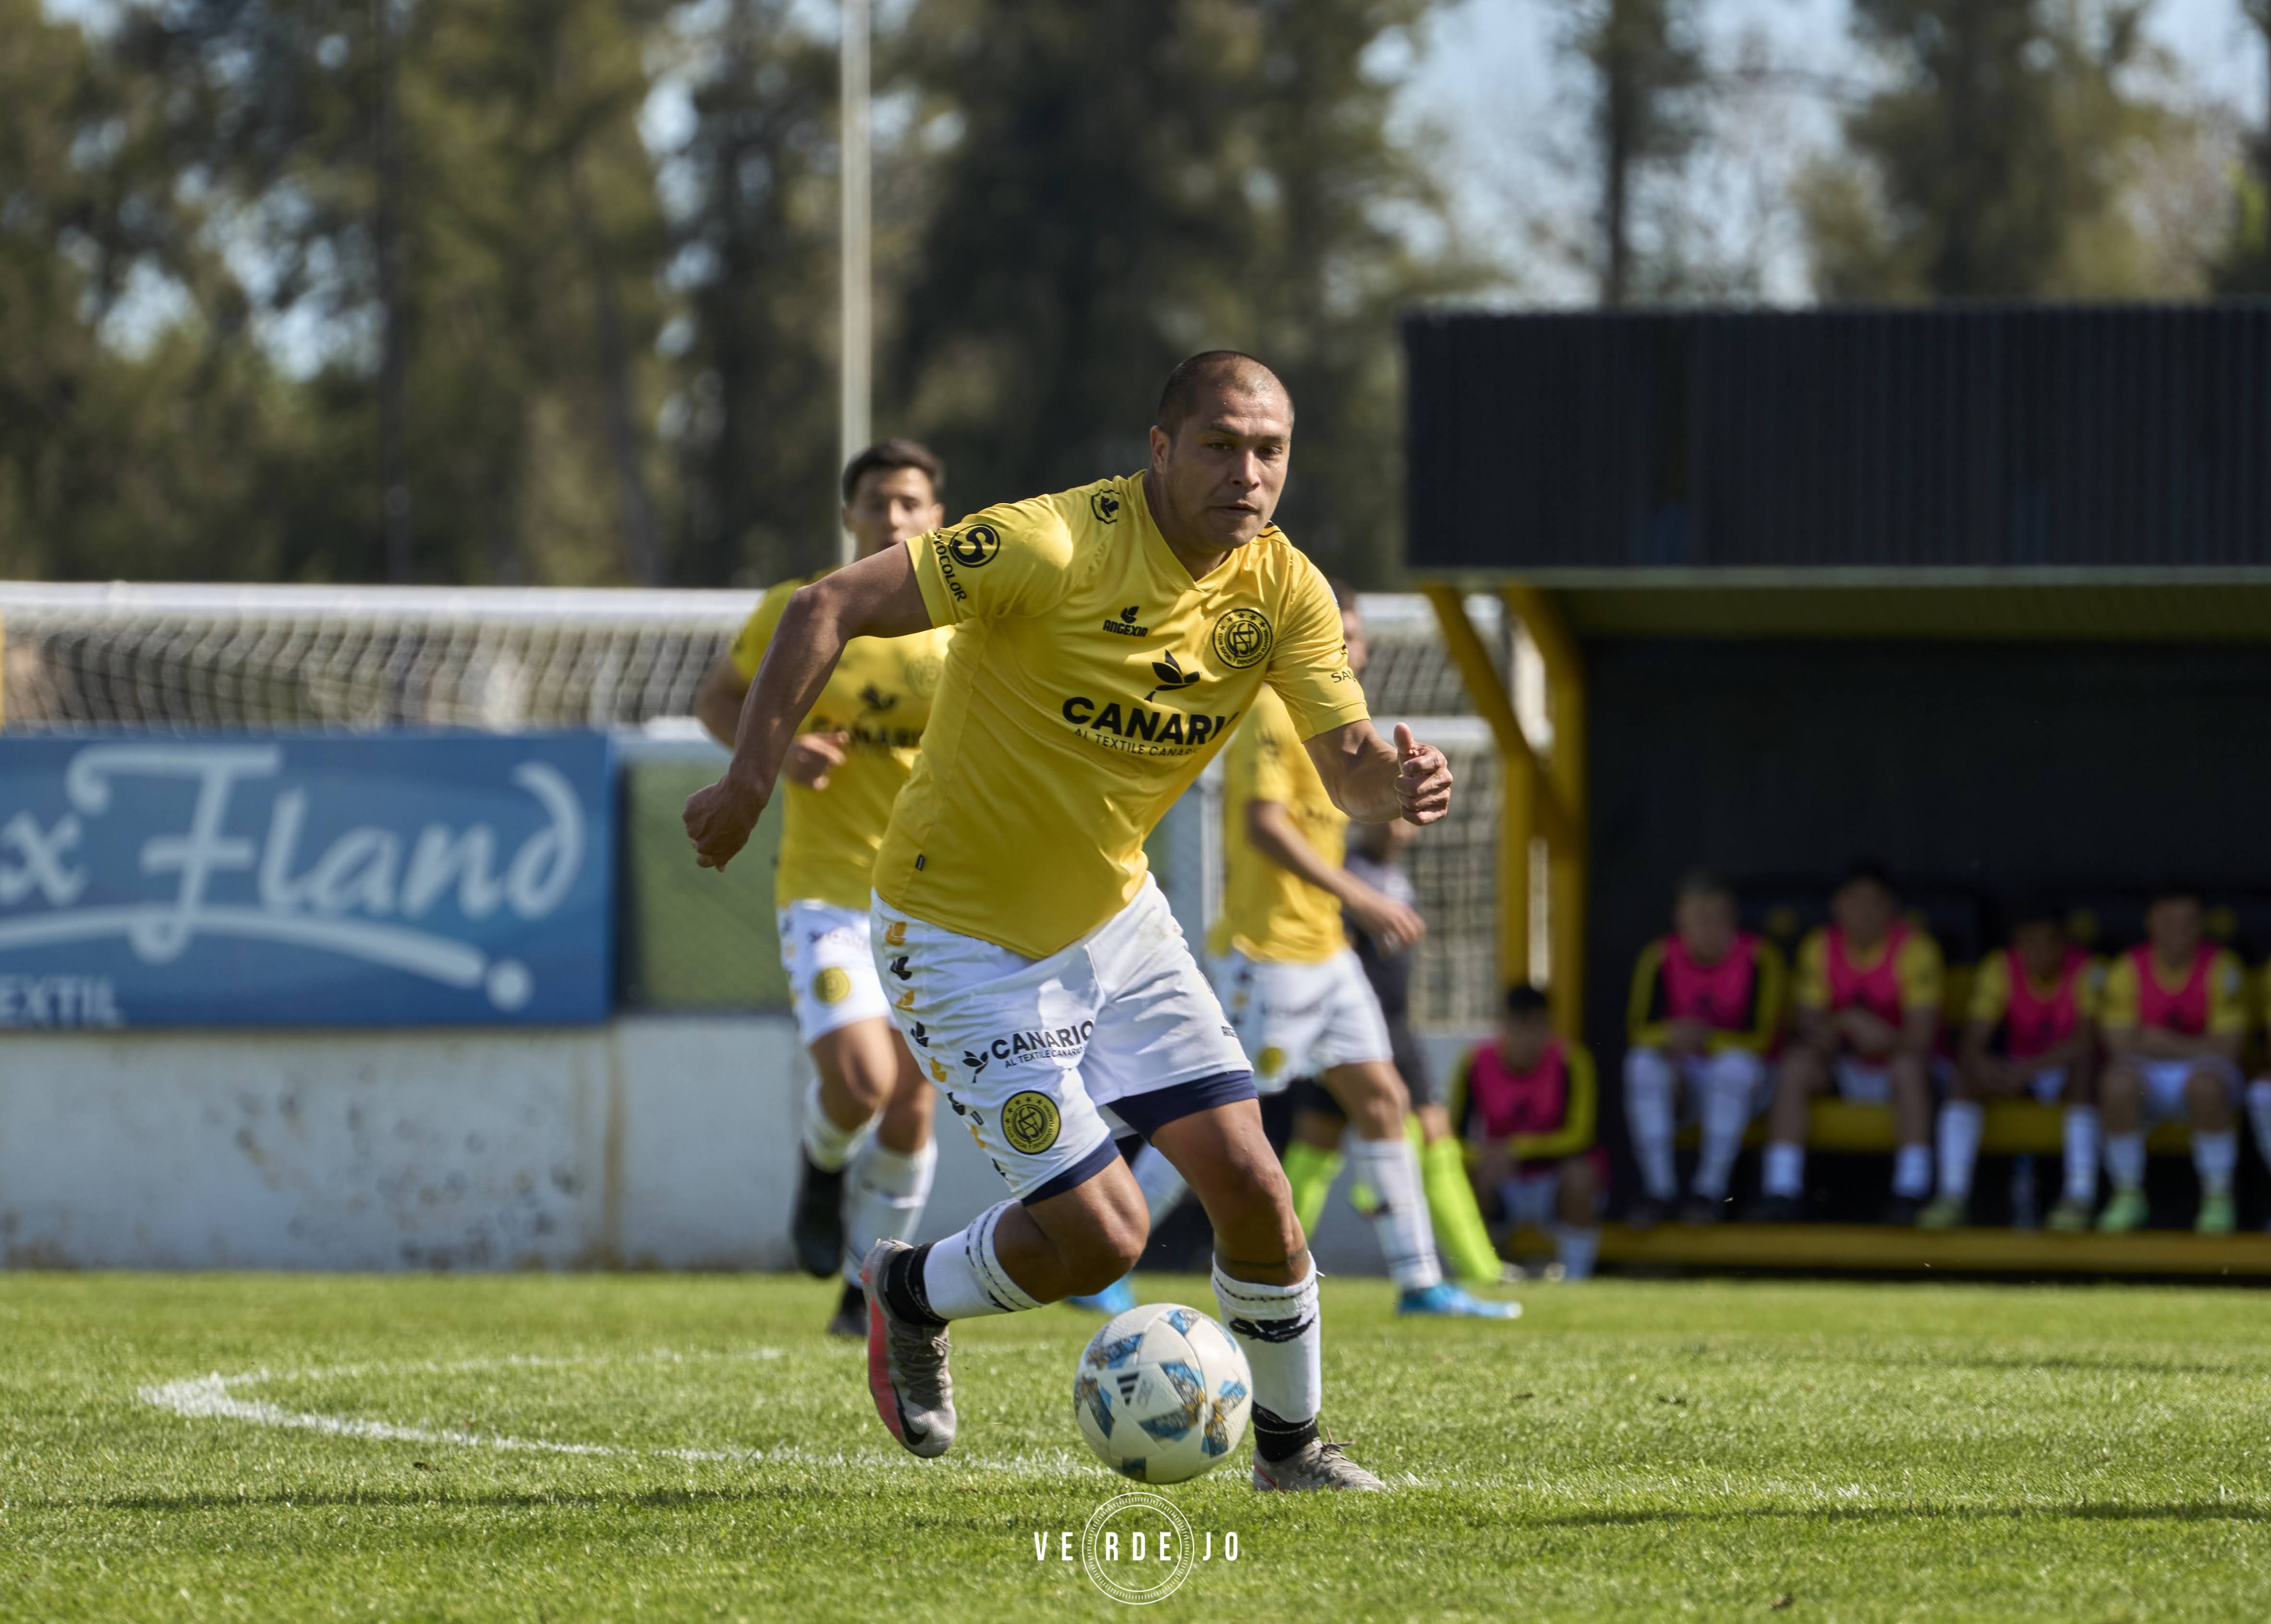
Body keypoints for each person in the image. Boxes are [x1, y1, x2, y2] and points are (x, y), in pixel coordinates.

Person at [684, 351, 1456, 1491]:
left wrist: (1399, 785)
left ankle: (1290, 1454)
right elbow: (825, 604)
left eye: (1270, 451)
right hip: (957, 938)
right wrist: (750, 778)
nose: (1247, 474)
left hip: (1117, 918)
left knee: (1251, 1183)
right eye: (1219, 445)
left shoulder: (1283, 590)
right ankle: (906, 1290)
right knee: (1103, 1239)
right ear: (1157, 448)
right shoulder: (1049, 544)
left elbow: (1347, 765)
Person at [694, 440, 956, 1337]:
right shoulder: (798, 610)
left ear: (938, 519)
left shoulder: (964, 625)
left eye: (910, 502)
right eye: (877, 502)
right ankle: (820, 1164)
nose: (893, 517)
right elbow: (718, 700)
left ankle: (867, 1288)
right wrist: (772, 749)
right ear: (848, 516)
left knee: (916, 1099)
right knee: (859, 1081)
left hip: (933, 901)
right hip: (824, 892)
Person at [1200, 584, 1513, 1315]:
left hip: (1328, 952)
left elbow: (1364, 824)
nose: (1349, 647)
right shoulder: (1271, 710)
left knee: (1384, 1099)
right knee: (1213, 1115)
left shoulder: (1347, 726)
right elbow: (1263, 826)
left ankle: (1420, 1280)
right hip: (1268, 952)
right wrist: (1366, 897)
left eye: (1356, 635)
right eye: (1334, 632)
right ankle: (1109, 1252)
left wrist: (1406, 800)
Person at [1750, 863, 1944, 1224]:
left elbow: (1920, 1038)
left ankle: (1911, 1191)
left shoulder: (1916, 948)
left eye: (1873, 902)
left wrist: (1882, 1038)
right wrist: (1847, 1023)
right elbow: (1809, 1030)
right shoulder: (1819, 946)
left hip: (1897, 1067)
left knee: (1908, 1067)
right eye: (1853, 901)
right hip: (1841, 1065)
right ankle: (1781, 1190)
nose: (1863, 911)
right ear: (1837, 905)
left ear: (1890, 907)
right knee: (1795, 1065)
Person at [1919, 902, 2101, 1233]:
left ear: (2063, 944)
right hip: (2020, 1067)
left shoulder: (2087, 970)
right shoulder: (1999, 967)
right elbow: (1974, 1038)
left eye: (2048, 942)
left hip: (2057, 1067)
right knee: (1965, 1075)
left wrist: (2029, 1069)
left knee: (2084, 1069)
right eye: (2030, 942)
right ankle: (1952, 1195)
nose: (2039, 951)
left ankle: (2079, 1196)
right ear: (2017, 943)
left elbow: (2086, 1040)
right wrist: (1985, 1064)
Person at [1622, 871, 1785, 1228]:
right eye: (1697, 916)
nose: (1706, 926)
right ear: (1679, 918)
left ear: (1732, 918)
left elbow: (1763, 1039)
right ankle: (1658, 1190)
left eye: (1716, 916)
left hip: (1750, 1084)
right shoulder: (1660, 957)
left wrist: (1706, 1039)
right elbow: (1638, 1032)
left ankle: (1707, 1192)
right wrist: (1671, 1036)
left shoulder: (1759, 957)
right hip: (1685, 1080)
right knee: (1641, 1065)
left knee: (1732, 1067)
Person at [2094, 886, 2247, 1234]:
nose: (2178, 931)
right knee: (2116, 1083)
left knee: (2205, 1085)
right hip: (2151, 1073)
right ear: (2151, 923)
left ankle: (2217, 1197)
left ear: (2200, 925)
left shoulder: (2222, 967)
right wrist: (2196, 1045)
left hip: (2206, 1072)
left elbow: (2228, 1048)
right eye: (2168, 921)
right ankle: (2127, 1193)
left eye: (2187, 922)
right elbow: (2118, 1044)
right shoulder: (2126, 968)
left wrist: (2155, 1040)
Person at [1450, 986, 1605, 1281]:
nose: (1527, 1039)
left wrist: (1516, 1151)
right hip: (1500, 1180)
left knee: (1582, 1175)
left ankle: (1576, 1278)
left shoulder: (1571, 1061)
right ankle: (1482, 1272)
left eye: (1537, 1027)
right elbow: (1453, 1138)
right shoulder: (1474, 1063)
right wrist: (1483, 1156)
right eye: (1518, 1026)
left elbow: (1581, 1136)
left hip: (1551, 1181)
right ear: (1503, 1025)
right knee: (1464, 1175)